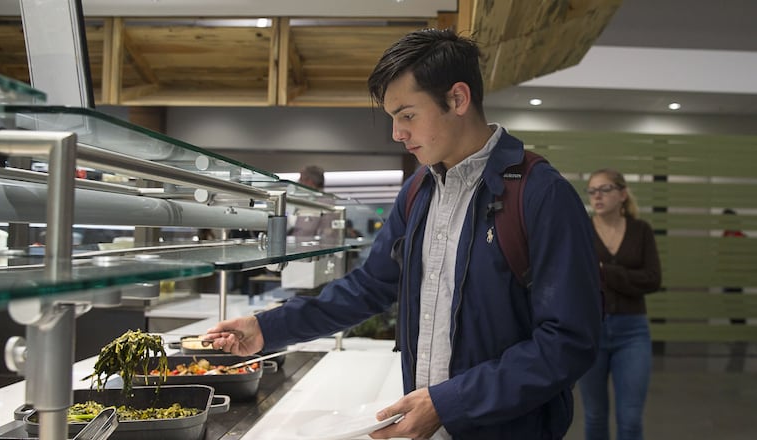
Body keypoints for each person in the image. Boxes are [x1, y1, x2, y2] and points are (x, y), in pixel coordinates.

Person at [205, 28, 601, 440]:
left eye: (407, 115)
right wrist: (267, 328)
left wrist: (449, 403)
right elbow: (369, 287)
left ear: (458, 99)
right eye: (393, 117)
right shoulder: (418, 192)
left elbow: (569, 342)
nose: (397, 133)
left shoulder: (540, 194)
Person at [579, 168, 662, 440]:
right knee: (594, 416)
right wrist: (624, 277)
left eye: (605, 189)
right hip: (592, 331)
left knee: (630, 418)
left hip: (632, 332)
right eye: (592, 191)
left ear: (622, 194)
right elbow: (576, 278)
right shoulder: (582, 229)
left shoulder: (641, 230)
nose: (597, 196)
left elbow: (652, 279)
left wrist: (604, 271)